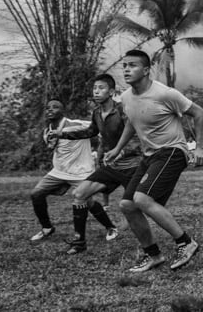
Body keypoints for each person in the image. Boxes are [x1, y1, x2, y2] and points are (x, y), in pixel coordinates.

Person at [105, 50, 203, 273]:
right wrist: (117, 149)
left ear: (146, 69)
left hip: (172, 151)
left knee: (142, 198)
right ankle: (153, 255)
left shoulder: (165, 94)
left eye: (132, 65)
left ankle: (186, 242)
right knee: (127, 205)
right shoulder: (126, 98)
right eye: (124, 66)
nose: (126, 70)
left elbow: (199, 113)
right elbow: (132, 122)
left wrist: (199, 147)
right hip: (149, 155)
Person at [49, 74, 143, 254]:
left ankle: (153, 245)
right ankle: (79, 242)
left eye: (101, 88)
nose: (96, 91)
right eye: (94, 88)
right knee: (79, 194)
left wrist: (121, 151)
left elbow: (138, 137)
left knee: (136, 206)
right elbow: (90, 131)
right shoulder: (97, 113)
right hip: (111, 167)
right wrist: (62, 134)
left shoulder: (124, 110)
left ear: (112, 92)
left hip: (133, 166)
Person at [29, 100, 108, 243]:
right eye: (48, 108)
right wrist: (52, 144)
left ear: (63, 110)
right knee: (36, 194)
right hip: (59, 171)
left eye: (55, 107)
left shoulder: (76, 124)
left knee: (88, 202)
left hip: (81, 171)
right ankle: (47, 228)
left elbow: (98, 128)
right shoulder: (47, 131)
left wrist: (106, 147)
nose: (50, 110)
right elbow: (53, 148)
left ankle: (110, 227)